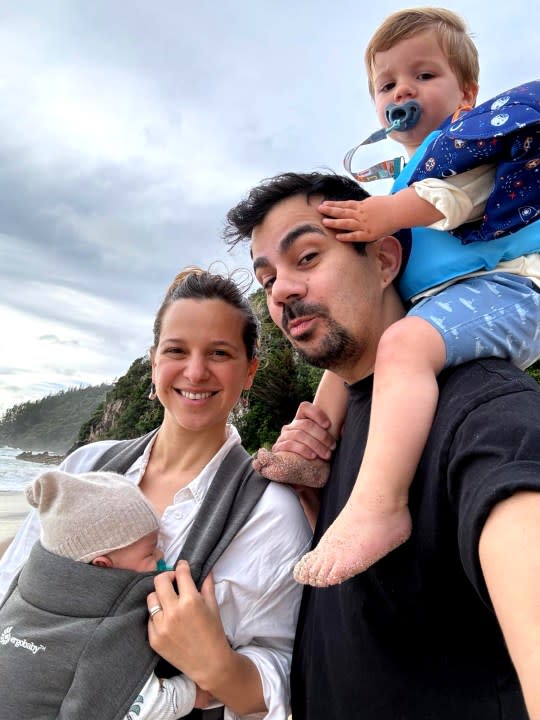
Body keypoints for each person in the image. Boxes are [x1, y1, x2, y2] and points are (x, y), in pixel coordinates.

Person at [224, 170, 540, 719]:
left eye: (307, 258)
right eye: (268, 277)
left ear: (386, 261)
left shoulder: (482, 407)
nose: (282, 292)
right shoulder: (347, 418)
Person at [251, 8, 540, 587]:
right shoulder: (407, 170)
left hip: (506, 291)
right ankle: (313, 440)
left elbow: (450, 202)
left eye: (425, 75)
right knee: (355, 346)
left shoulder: (474, 147)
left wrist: (379, 212)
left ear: (468, 94)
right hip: (443, 299)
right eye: (387, 84)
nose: (403, 90)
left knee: (402, 343)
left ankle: (380, 506)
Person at [0, 267, 312, 720]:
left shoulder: (269, 512)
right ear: (153, 362)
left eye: (220, 353)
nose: (196, 371)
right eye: (177, 351)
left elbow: (284, 672)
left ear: (249, 371)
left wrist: (218, 667)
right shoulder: (85, 466)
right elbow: (13, 588)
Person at [0, 468, 205, 720]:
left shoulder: (22, 590)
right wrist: (191, 693)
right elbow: (131, 707)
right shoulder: (98, 636)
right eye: (151, 552)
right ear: (102, 565)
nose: (161, 556)